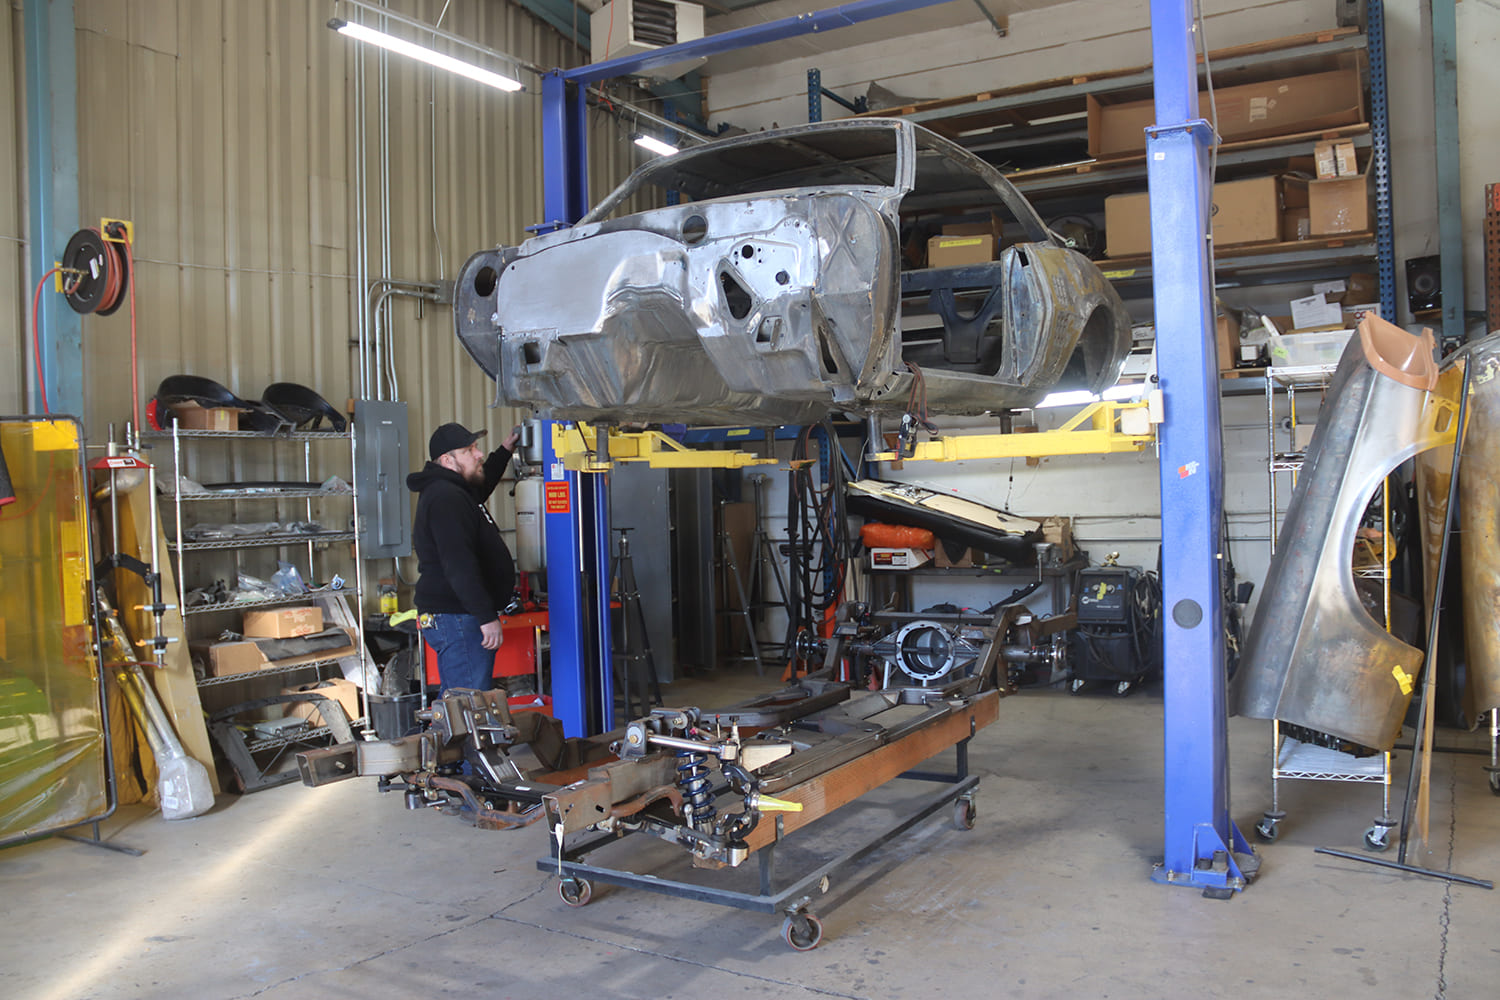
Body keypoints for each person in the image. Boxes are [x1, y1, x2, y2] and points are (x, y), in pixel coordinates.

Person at [407, 421, 521, 696]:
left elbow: (482, 483)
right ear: (448, 460)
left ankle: (450, 739)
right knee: (467, 708)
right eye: (470, 450)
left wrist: (505, 450)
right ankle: (455, 741)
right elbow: (458, 564)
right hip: (458, 617)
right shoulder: (445, 498)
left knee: (461, 707)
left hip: (459, 614)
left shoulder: (455, 491)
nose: (478, 454)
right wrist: (485, 616)